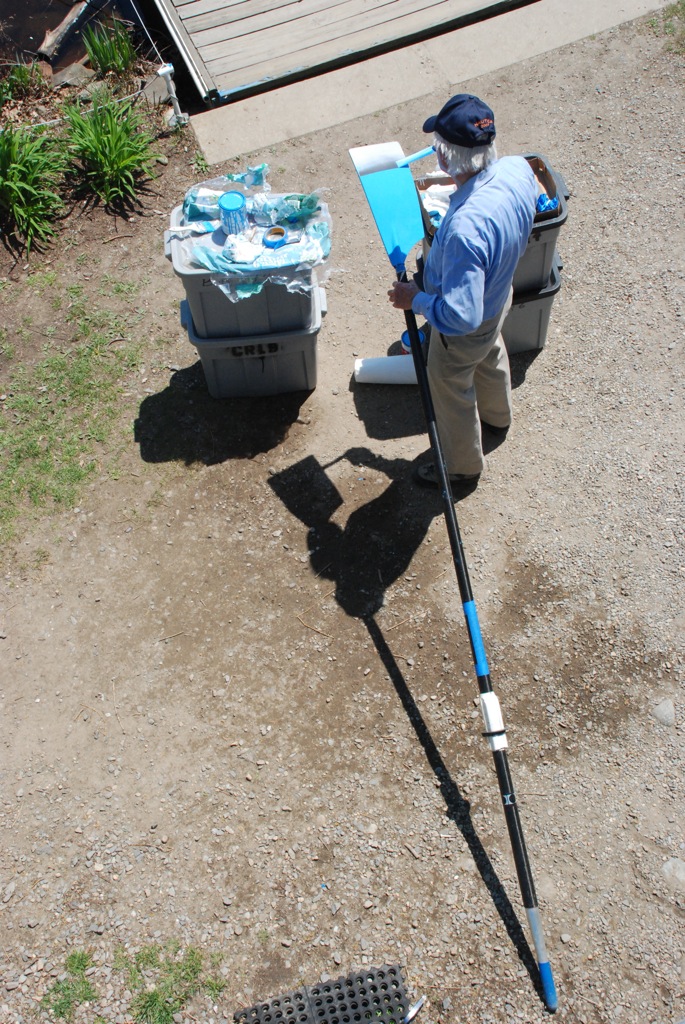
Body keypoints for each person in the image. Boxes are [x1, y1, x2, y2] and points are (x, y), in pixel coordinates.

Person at [388, 93, 538, 488]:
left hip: (467, 324)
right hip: (498, 295)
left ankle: (461, 468)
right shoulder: (517, 169)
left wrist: (416, 299)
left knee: (449, 382)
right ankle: (498, 417)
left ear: (443, 158)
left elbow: (461, 317)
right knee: (490, 350)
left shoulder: (464, 230)